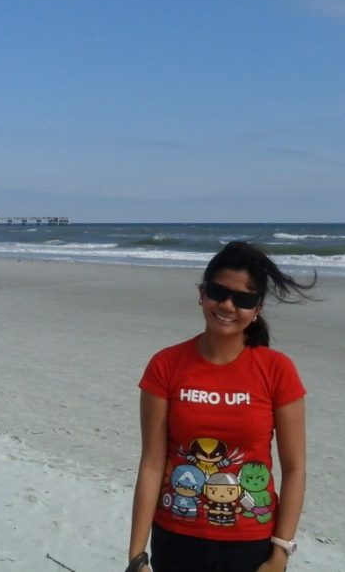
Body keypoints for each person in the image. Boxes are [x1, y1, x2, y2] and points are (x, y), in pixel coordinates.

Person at [127, 241, 315, 572]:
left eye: (243, 299)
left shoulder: (277, 370)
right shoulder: (166, 365)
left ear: (257, 308)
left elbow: (295, 467)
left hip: (250, 545)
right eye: (218, 292)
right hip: (175, 537)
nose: (227, 305)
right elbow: (153, 463)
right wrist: (137, 556)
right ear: (202, 293)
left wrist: (281, 551)